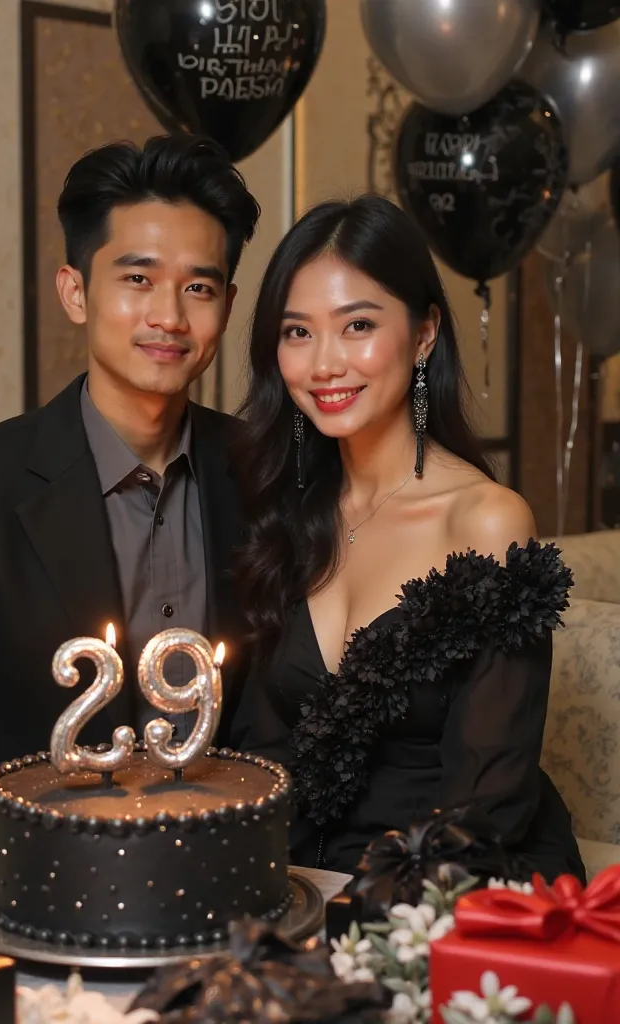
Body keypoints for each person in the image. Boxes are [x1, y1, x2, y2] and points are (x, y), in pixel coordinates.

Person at [0, 134, 260, 882]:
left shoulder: (266, 474)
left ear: (227, 307)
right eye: (139, 279)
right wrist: (65, 865)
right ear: (75, 292)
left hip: (218, 876)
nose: (170, 316)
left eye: (199, 287)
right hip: (18, 881)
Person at [230, 194, 584, 883]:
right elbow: (258, 758)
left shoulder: (485, 521)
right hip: (305, 890)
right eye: (297, 333)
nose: (324, 363)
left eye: (357, 325)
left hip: (448, 894)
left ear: (424, 334)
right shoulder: (284, 514)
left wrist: (359, 931)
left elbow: (489, 804)